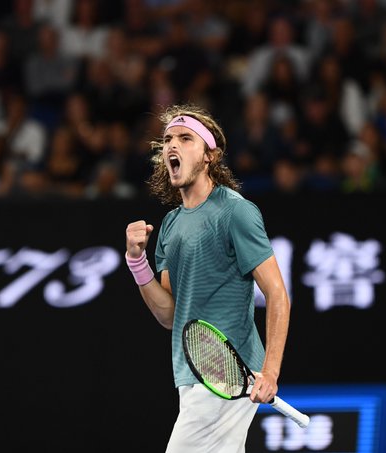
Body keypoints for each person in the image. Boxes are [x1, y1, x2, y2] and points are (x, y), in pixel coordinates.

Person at [124, 104, 291, 452]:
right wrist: (137, 262)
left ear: (209, 156)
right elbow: (169, 315)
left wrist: (271, 372)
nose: (173, 145)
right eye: (168, 139)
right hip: (192, 376)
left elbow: (276, 293)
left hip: (229, 374)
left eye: (186, 138)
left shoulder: (235, 211)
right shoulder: (170, 226)